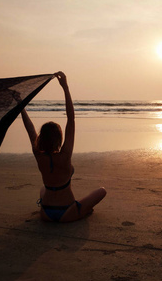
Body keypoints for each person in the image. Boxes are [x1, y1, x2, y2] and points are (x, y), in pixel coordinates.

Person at [20, 71, 106, 222]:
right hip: (67, 212)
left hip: (46, 213)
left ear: (41, 138)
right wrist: (65, 87)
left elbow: (30, 128)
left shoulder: (38, 154)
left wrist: (21, 105)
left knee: (43, 189)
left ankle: (82, 210)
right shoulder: (65, 155)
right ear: (59, 139)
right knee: (102, 191)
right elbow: (71, 118)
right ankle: (83, 211)